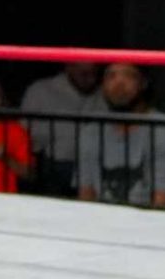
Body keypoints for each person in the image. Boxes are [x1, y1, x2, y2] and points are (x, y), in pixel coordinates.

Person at [77, 62, 165, 207]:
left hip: (150, 218)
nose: (119, 84)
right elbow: (86, 194)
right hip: (102, 217)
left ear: (143, 83)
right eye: (111, 76)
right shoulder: (91, 132)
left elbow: (163, 201)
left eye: (128, 75)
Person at [19, 60, 108, 193]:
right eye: (84, 74)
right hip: (51, 164)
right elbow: (23, 131)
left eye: (93, 74)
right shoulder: (41, 90)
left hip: (92, 164)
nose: (89, 79)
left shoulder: (103, 94)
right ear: (69, 68)